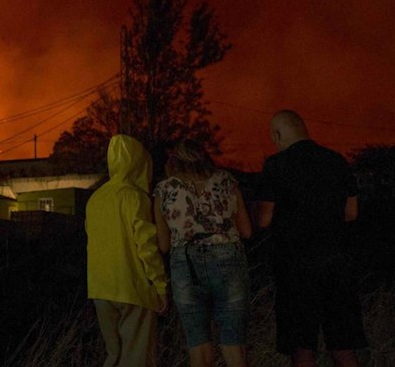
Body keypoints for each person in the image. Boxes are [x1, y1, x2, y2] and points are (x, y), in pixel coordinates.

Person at [255, 110, 366, 367]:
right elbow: (351, 212)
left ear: (277, 134)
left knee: (302, 346)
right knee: (343, 345)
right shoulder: (336, 161)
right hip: (337, 263)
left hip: (296, 267)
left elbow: (264, 219)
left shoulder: (276, 165)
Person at [153, 140, 253, 367]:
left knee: (198, 346)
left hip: (185, 264)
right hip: (228, 259)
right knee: (234, 344)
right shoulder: (226, 181)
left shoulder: (164, 190)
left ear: (173, 162)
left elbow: (164, 245)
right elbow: (246, 231)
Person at [85, 134, 169, 367]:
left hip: (100, 290)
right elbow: (147, 248)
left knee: (113, 356)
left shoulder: (95, 199)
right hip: (133, 289)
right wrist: (160, 287)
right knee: (137, 358)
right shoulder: (135, 198)